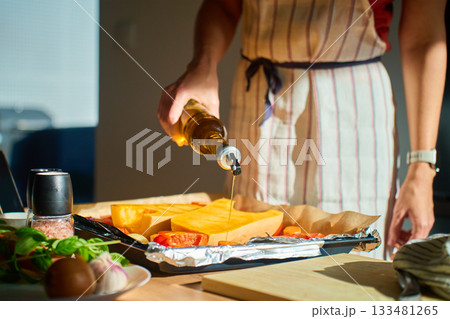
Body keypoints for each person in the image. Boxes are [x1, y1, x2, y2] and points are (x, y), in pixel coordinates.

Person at [158, 0, 446, 259]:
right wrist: (203, 64)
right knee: (247, 256)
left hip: (352, 107)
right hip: (260, 100)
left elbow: (425, 37)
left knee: (348, 266)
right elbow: (223, 5)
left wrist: (422, 165)